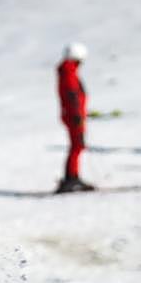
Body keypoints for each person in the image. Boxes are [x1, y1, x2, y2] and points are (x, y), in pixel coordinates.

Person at [57, 42, 96, 193]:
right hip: (74, 116)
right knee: (77, 146)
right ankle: (71, 179)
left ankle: (73, 177)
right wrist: (77, 114)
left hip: (73, 115)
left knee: (77, 146)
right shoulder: (68, 71)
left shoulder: (68, 70)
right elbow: (72, 94)